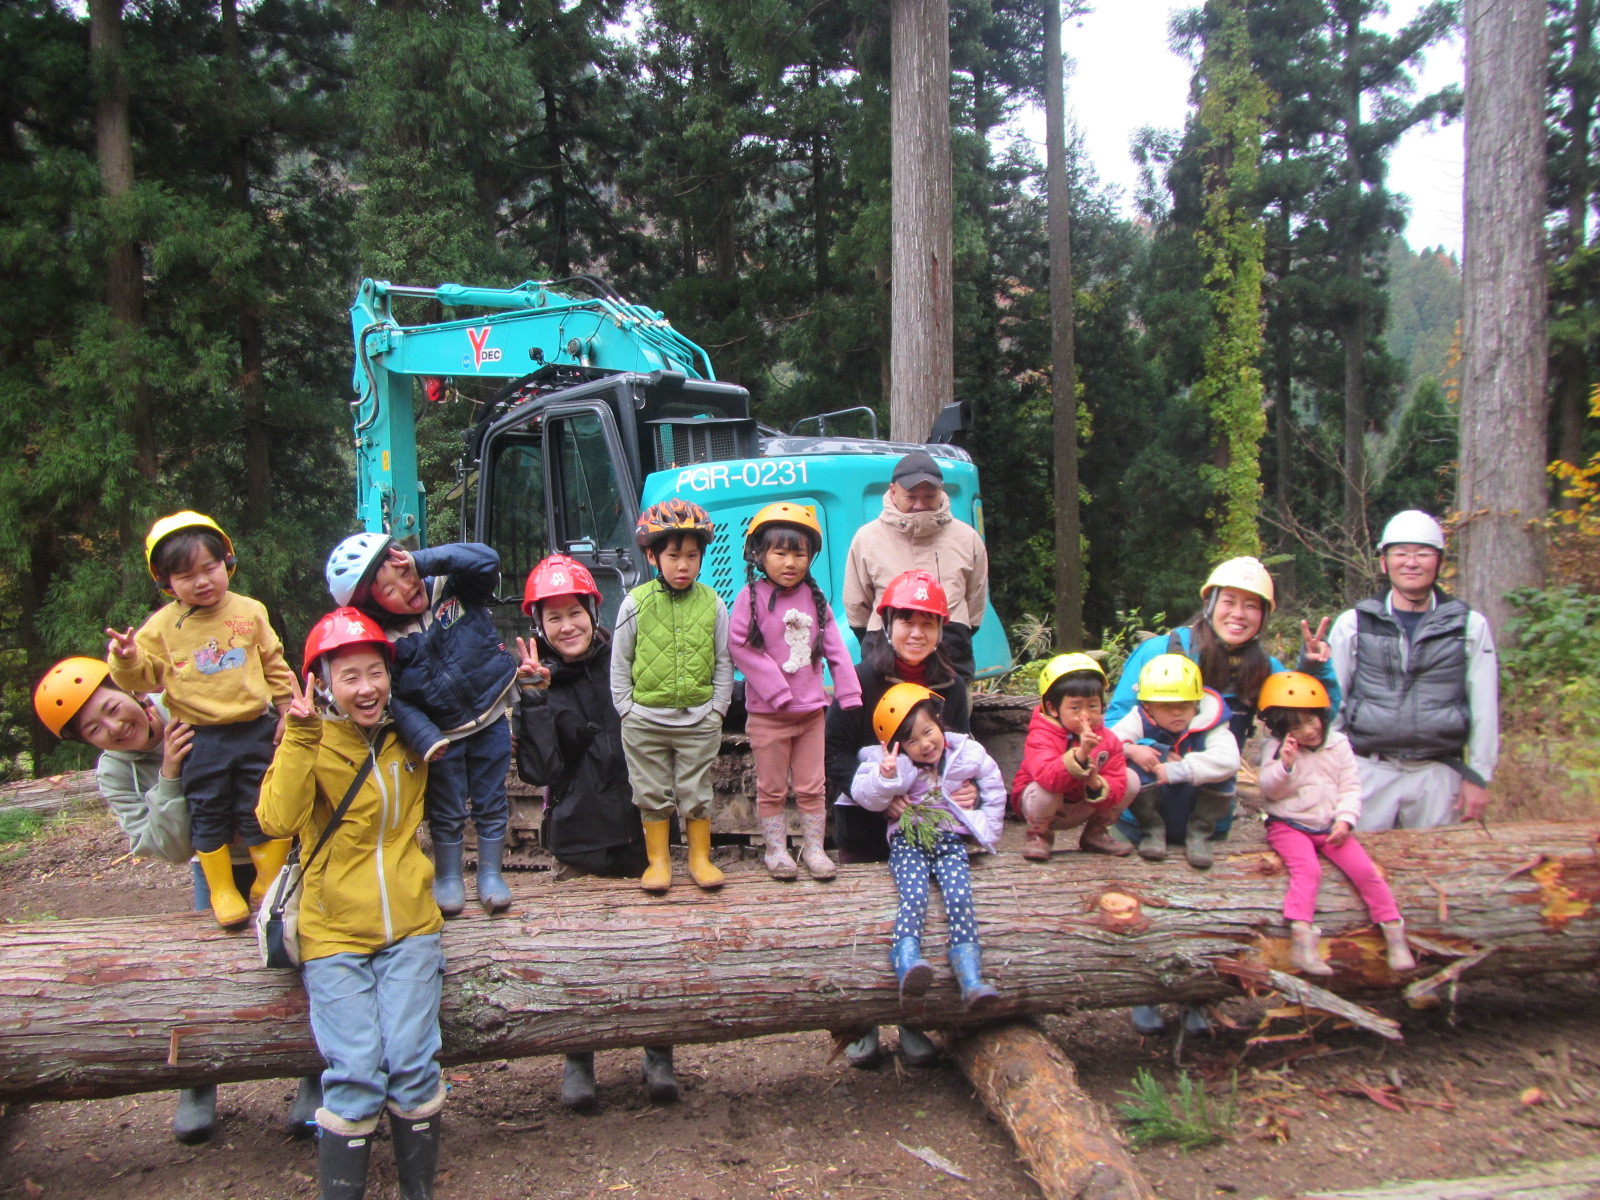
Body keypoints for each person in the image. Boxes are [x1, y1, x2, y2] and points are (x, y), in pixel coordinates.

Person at [32, 657, 321, 1145]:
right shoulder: (115, 772)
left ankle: (313, 1072)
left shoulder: (191, 699)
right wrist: (169, 775)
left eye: (110, 708)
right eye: (94, 729)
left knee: (301, 953)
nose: (113, 726)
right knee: (208, 967)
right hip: (214, 866)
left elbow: (259, 691)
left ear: (130, 691)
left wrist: (282, 724)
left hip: (279, 849)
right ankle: (197, 1080)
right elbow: (164, 847)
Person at [258, 608, 444, 1200]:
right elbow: (276, 820)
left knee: (413, 1064)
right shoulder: (310, 740)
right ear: (322, 683)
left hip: (410, 925)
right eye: (349, 677)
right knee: (357, 1072)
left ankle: (418, 1191)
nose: (366, 688)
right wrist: (299, 737)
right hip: (333, 932)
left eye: (375, 672)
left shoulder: (407, 735)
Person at [512, 554, 680, 1109]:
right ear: (539, 625)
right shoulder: (539, 684)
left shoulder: (625, 659)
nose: (567, 626)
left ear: (592, 610)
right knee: (578, 956)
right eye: (553, 617)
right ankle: (579, 1059)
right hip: (579, 841)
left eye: (574, 613)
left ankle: (659, 1054)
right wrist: (534, 702)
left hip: (642, 832)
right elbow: (539, 771)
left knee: (654, 949)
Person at [105, 511, 295, 928]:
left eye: (210, 568)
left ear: (227, 562)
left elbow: (275, 665)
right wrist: (126, 658)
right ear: (166, 582)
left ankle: (267, 879)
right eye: (186, 575)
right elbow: (143, 678)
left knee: (263, 806)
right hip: (201, 737)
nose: (202, 581)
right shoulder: (161, 627)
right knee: (208, 811)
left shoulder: (250, 611)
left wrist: (287, 709)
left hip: (255, 729)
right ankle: (222, 889)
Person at [326, 532, 519, 917]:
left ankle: (490, 873)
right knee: (447, 808)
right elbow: (394, 697)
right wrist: (424, 736)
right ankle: (448, 876)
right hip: (442, 735)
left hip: (491, 713)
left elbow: (487, 559)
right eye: (388, 590)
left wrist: (425, 561)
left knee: (491, 800)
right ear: (371, 604)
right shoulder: (385, 641)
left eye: (404, 572)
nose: (405, 587)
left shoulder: (451, 588)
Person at [825, 568, 972, 1066]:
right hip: (866, 826)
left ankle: (912, 1020)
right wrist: (878, 797)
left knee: (922, 916)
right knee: (864, 921)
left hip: (926, 826)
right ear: (887, 624)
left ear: (941, 629)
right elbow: (833, 752)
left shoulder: (951, 686)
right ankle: (859, 1024)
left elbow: (960, 753)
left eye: (928, 622)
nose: (916, 632)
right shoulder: (860, 679)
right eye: (907, 620)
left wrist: (968, 788)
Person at [1106, 556, 1337, 859]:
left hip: (1208, 826)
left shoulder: (1263, 669)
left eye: (1251, 606)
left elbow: (1314, 727)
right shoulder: (1159, 652)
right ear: (1210, 604)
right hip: (1139, 822)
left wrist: (1316, 669)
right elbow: (1114, 724)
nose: (1239, 614)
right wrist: (1154, 751)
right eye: (1229, 601)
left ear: (1264, 616)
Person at [1328, 510, 1499, 831]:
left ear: (1439, 562)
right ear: (1384, 562)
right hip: (1365, 770)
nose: (1411, 562)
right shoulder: (1354, 624)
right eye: (1401, 553)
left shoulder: (1468, 626)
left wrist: (1478, 776)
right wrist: (1329, 770)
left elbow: (1484, 706)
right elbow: (1334, 701)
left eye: (1423, 553)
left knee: (1438, 860)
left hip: (1438, 772)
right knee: (1360, 860)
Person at [847, 684, 1005, 1011]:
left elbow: (993, 784)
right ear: (900, 746)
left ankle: (969, 974)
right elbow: (864, 793)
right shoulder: (896, 764)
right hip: (908, 840)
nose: (925, 744)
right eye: (912, 741)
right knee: (914, 896)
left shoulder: (965, 754)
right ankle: (906, 958)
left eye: (928, 731)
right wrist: (885, 776)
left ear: (939, 722)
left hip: (950, 840)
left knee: (959, 897)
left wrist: (989, 828)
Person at [730, 502, 862, 881]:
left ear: (810, 557)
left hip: (811, 715)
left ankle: (814, 849)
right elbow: (739, 645)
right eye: (780, 553)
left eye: (799, 554)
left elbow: (835, 649)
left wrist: (849, 693)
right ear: (758, 555)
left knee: (812, 786)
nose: (790, 562)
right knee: (771, 788)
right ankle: (776, 850)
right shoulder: (749, 598)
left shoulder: (816, 601)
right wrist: (775, 690)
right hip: (767, 717)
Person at [1256, 671, 1416, 975]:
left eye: (1311, 719)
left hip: (1330, 826)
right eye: (1296, 727)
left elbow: (1350, 786)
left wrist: (1345, 819)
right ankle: (1303, 943)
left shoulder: (1338, 744)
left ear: (1322, 714)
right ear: (1282, 730)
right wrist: (1285, 766)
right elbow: (1270, 790)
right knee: (1308, 871)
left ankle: (1394, 933)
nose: (1308, 730)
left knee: (1366, 871)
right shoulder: (1275, 749)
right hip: (1288, 825)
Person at [610, 498, 733, 892]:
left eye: (692, 556)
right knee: (650, 791)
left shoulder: (713, 603)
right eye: (674, 556)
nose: (684, 566)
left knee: (696, 791)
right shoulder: (635, 603)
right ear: (653, 557)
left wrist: (718, 708)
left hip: (698, 721)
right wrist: (625, 708)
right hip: (644, 722)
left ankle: (699, 858)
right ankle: (659, 862)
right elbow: (620, 659)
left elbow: (724, 659)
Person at [843, 450, 990, 680]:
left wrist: (951, 631)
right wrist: (888, 632)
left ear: (941, 491)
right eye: (911, 497)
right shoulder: (868, 538)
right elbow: (856, 604)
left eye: (929, 496)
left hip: (951, 656)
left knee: (952, 704)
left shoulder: (967, 538)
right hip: (884, 658)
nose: (920, 505)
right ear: (893, 491)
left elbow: (976, 600)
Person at [1109, 654, 1241, 870]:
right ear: (1148, 706)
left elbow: (1229, 760)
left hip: (1198, 809)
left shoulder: (1211, 721)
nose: (1177, 712)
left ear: (1197, 702)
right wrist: (1131, 749)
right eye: (1167, 705)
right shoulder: (1139, 718)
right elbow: (1109, 742)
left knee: (1222, 775)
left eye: (1185, 704)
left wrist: (1182, 769)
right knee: (1136, 763)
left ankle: (1199, 835)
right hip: (1142, 820)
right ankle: (1152, 831)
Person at [1012, 653, 1131, 860]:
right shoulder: (1041, 736)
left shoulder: (1108, 740)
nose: (1085, 715)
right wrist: (1081, 754)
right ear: (1052, 708)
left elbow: (1117, 782)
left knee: (1132, 780)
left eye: (1092, 706)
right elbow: (1049, 779)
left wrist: (1095, 782)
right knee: (1044, 790)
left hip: (1082, 804)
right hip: (1044, 807)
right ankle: (1039, 835)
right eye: (1075, 707)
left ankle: (1096, 833)